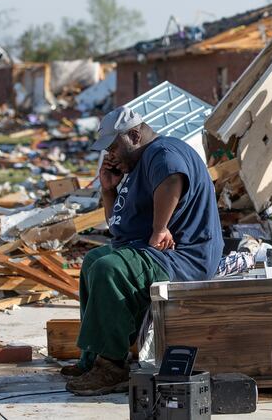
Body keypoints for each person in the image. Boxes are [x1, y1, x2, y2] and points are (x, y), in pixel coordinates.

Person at [63, 106, 224, 396]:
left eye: (114, 147)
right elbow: (117, 228)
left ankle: (111, 367)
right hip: (154, 252)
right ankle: (93, 357)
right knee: (94, 260)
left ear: (135, 135)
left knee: (109, 269)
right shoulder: (135, 166)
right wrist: (108, 190)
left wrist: (160, 228)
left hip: (182, 257)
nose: (109, 155)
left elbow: (173, 178)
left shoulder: (161, 152)